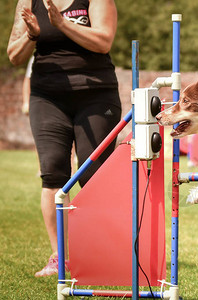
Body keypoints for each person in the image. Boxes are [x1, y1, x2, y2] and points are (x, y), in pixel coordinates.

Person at [7, 0, 122, 277]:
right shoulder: (28, 1)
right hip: (47, 97)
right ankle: (60, 256)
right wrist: (32, 35)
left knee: (93, 175)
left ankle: (99, 250)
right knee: (52, 172)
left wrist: (62, 23)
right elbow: (13, 55)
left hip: (96, 95)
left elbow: (104, 41)